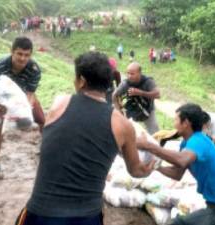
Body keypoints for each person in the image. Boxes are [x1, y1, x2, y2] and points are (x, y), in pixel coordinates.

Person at [15, 52, 155, 225]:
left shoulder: (59, 102)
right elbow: (136, 171)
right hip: (86, 218)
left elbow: (55, 138)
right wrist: (148, 168)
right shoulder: (123, 125)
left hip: (40, 214)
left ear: (81, 81)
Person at [136, 104, 215, 225]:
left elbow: (181, 160)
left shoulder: (199, 141)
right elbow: (177, 173)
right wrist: (156, 166)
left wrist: (149, 146)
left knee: (179, 223)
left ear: (185, 122)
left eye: (176, 119)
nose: (173, 123)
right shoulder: (186, 144)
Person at [0, 37, 45, 180]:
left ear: (31, 55)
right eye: (19, 54)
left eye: (26, 55)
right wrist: (5, 109)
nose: (22, 58)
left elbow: (30, 94)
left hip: (24, 97)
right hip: (3, 97)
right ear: (12, 52)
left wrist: (24, 111)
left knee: (42, 119)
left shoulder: (34, 70)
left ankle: (46, 151)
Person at [112, 62, 160, 134]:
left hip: (148, 110)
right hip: (132, 111)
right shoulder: (125, 84)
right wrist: (119, 110)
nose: (129, 76)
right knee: (129, 133)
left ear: (139, 73)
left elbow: (157, 95)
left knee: (155, 132)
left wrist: (140, 93)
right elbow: (114, 95)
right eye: (128, 73)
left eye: (132, 74)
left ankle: (156, 144)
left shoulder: (148, 81)